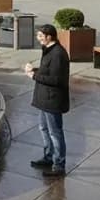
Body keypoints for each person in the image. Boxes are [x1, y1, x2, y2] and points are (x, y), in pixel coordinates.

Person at [26, 23, 71, 177]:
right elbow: (48, 72)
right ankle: (48, 157)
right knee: (44, 129)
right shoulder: (48, 50)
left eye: (40, 36)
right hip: (44, 99)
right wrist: (35, 70)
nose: (38, 39)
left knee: (55, 132)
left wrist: (34, 76)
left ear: (49, 36)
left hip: (52, 100)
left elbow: (57, 79)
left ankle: (59, 164)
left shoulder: (58, 54)